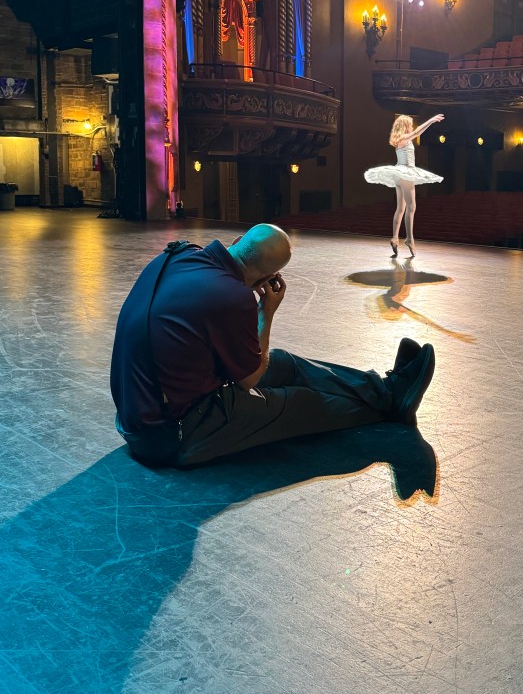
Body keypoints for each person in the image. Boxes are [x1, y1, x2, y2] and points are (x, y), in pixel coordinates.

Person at [110, 224, 436, 469]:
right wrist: (265, 311)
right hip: (170, 435)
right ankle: (390, 404)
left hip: (140, 412)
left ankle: (383, 390)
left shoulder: (180, 254)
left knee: (283, 363)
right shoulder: (231, 296)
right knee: (296, 404)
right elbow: (249, 380)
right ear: (267, 277)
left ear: (238, 241)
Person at [364, 113, 445, 257]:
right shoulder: (403, 139)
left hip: (400, 174)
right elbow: (417, 132)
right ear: (404, 126)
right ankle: (409, 238)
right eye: (409, 124)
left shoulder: (401, 140)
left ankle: (395, 238)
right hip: (405, 173)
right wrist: (431, 121)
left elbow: (415, 132)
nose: (411, 127)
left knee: (401, 208)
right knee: (412, 206)